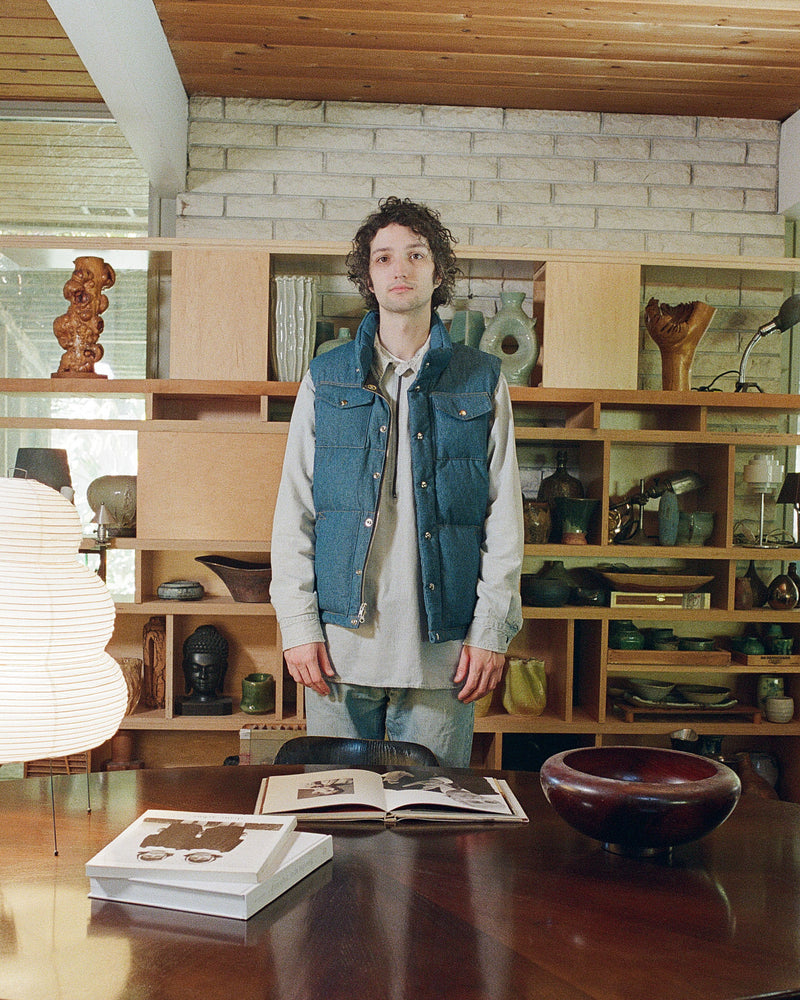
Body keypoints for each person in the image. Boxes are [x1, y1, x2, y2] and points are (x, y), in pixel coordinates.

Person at [269, 196, 524, 767]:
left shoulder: (480, 379)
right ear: (368, 276)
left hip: (444, 653)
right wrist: (297, 625)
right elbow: (295, 511)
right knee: (337, 823)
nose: (400, 269)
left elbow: (503, 516)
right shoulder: (326, 377)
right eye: (384, 258)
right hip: (338, 650)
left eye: (415, 255)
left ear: (438, 272)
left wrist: (490, 632)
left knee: (431, 829)